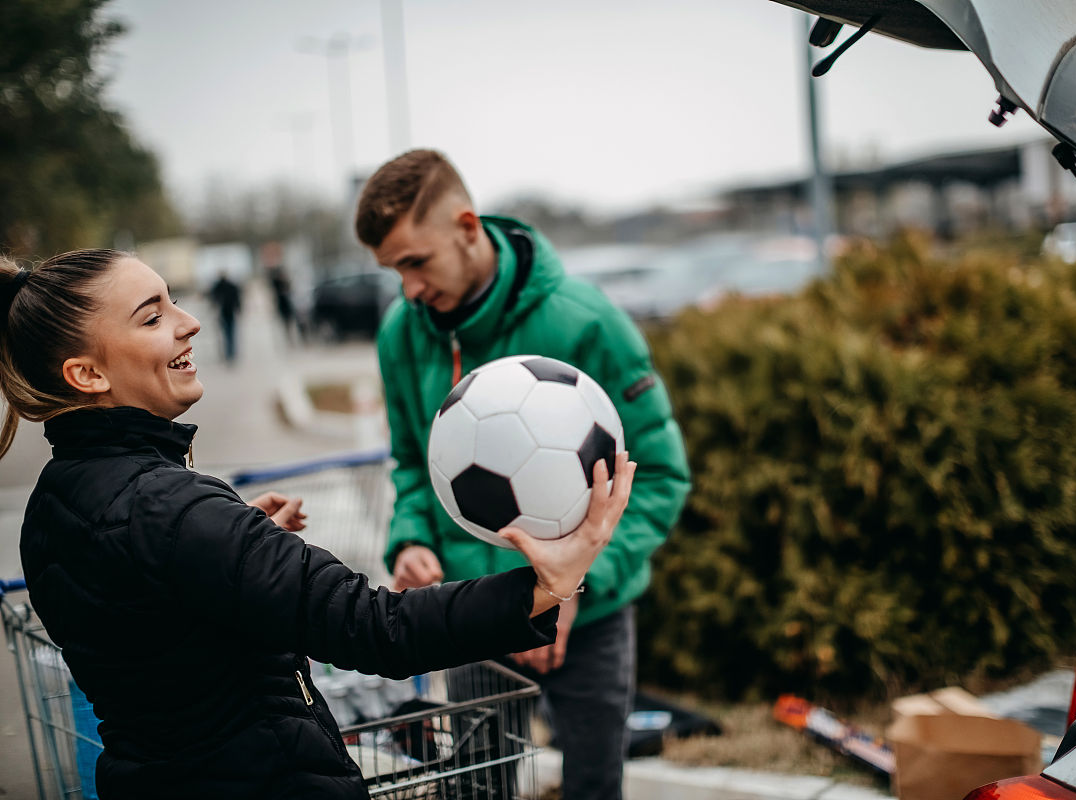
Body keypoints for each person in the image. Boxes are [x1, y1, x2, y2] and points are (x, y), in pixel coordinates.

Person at [1, 249, 636, 799]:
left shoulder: (51, 508)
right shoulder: (179, 513)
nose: (190, 323)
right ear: (87, 374)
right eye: (154, 316)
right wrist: (546, 584)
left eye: (174, 303)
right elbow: (378, 629)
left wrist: (226, 545)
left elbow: (145, 621)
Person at [356, 149, 691, 800]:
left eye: (415, 262)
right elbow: (410, 467)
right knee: (475, 791)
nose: (409, 289)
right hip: (473, 613)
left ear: (467, 225)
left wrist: (576, 587)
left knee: (595, 786)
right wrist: (412, 540)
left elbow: (659, 477)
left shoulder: (586, 319)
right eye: (394, 271)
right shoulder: (402, 334)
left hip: (591, 618)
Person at [208, 270, 241, 363]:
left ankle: (228, 353)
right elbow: (237, 299)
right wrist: (238, 309)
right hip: (229, 313)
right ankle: (231, 353)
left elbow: (213, 298)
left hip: (223, 313)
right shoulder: (231, 286)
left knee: (226, 334)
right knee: (230, 334)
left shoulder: (218, 286)